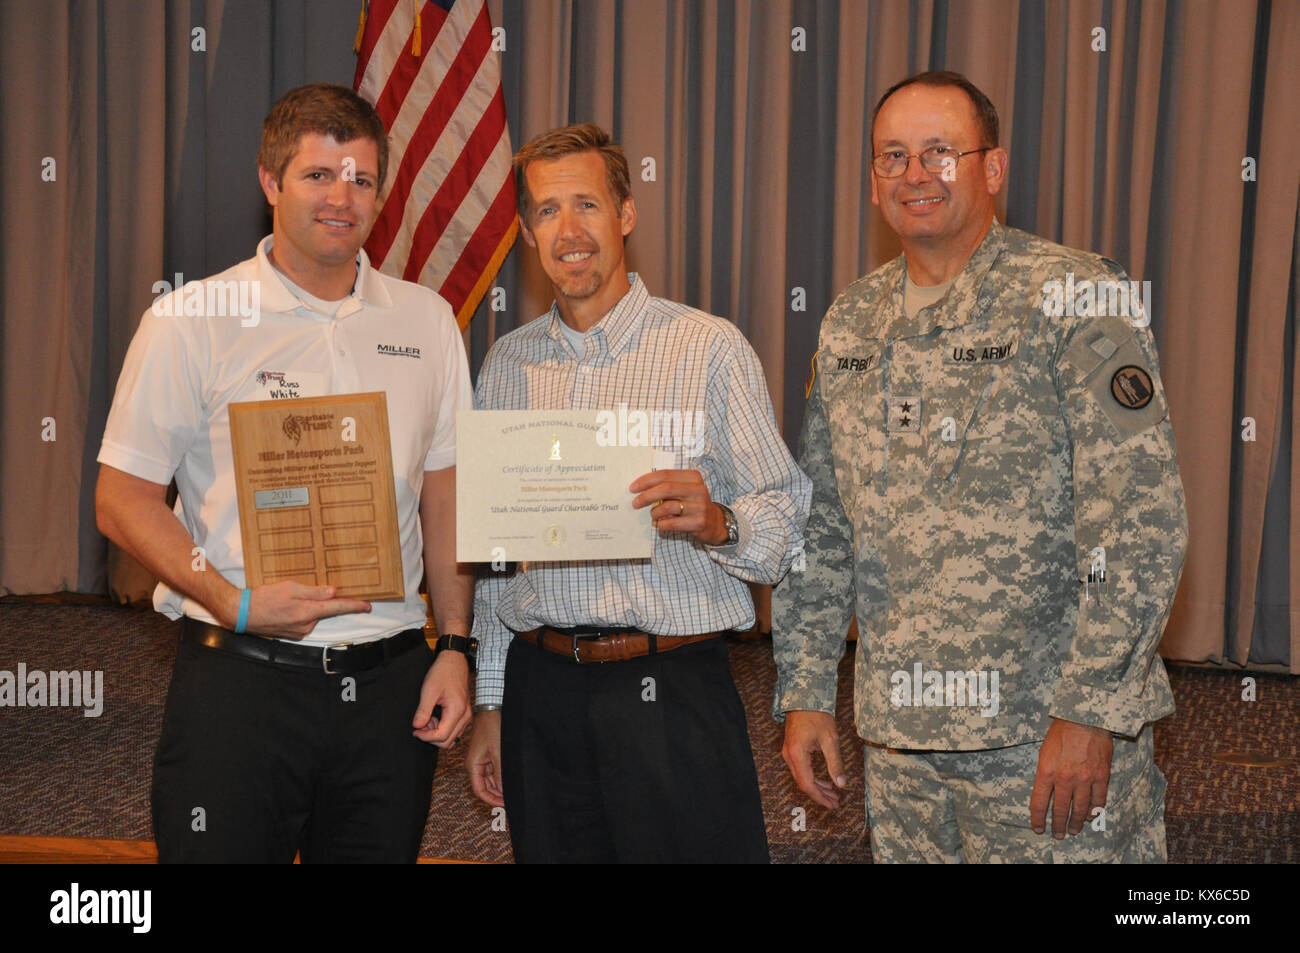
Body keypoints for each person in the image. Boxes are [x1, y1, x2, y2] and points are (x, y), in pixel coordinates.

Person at [773, 71, 1187, 863]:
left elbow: (1139, 519)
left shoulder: (1074, 297)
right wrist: (805, 689)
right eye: (892, 156)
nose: (914, 175)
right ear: (872, 181)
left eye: (940, 152)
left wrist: (1092, 708)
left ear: (991, 169)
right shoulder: (852, 320)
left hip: (1040, 742)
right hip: (900, 752)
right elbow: (822, 525)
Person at [95, 83, 476, 863]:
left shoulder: (426, 320)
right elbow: (123, 498)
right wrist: (233, 601)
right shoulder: (190, 319)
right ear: (270, 182)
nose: (343, 198)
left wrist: (458, 645)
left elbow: (445, 494)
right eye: (318, 175)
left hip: (389, 687)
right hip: (239, 679)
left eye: (362, 179)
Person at [465, 123, 811, 863]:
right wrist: (491, 700)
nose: (570, 230)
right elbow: (495, 559)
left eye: (587, 204)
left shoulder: (708, 350)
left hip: (672, 691)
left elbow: (786, 525)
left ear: (625, 214)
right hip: (541, 690)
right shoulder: (505, 365)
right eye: (549, 211)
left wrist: (719, 521)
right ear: (528, 232)